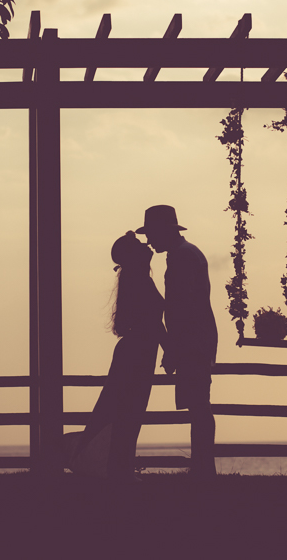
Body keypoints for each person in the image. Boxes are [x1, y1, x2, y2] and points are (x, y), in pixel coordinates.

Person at [70, 231, 165, 481]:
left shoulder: (137, 279)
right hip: (138, 354)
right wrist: (169, 349)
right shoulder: (140, 281)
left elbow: (154, 323)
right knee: (128, 410)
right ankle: (116, 467)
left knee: (126, 409)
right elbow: (154, 323)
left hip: (137, 351)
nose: (146, 245)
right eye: (138, 244)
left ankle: (115, 466)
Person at [136, 205, 218, 478]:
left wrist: (173, 347)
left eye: (151, 234)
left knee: (198, 405)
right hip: (197, 338)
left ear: (162, 232)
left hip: (192, 340)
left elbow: (182, 308)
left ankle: (203, 467)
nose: (149, 241)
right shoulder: (186, 254)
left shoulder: (181, 258)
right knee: (199, 403)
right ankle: (203, 465)